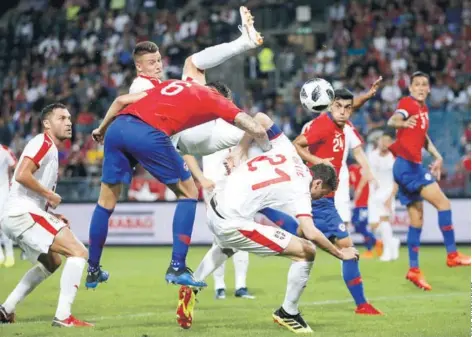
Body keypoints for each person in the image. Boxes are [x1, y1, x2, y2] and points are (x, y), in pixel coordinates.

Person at [108, 6, 264, 298]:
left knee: (259, 126)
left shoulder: (160, 86)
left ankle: (281, 155)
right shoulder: (143, 85)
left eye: (159, 60)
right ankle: (244, 42)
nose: (159, 65)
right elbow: (131, 105)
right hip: (186, 135)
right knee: (193, 64)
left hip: (201, 135)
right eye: (153, 62)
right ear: (140, 67)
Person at [175, 119, 359, 332]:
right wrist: (340, 253)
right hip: (232, 222)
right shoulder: (302, 189)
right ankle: (288, 312)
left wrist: (240, 150)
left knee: (229, 244)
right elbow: (309, 231)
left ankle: (191, 284)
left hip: (216, 204)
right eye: (323, 193)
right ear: (317, 183)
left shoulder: (288, 150)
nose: (319, 198)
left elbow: (261, 118)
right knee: (307, 251)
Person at [85, 77, 270, 289]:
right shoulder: (216, 99)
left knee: (106, 202)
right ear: (223, 95)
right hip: (148, 133)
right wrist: (268, 147)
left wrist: (101, 129)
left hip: (117, 127)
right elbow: (256, 128)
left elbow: (120, 101)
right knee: (189, 191)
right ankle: (177, 266)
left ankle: (93, 270)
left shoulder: (173, 84)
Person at [0, 103, 92, 327]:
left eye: (69, 118)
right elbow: (22, 175)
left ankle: (6, 309)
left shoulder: (51, 148)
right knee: (78, 252)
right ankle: (63, 316)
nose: (68, 122)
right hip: (21, 211)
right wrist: (49, 194)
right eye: (62, 118)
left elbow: (28, 184)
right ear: (47, 124)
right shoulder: (43, 142)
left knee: (52, 262)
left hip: (18, 214)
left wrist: (51, 214)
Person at [293, 88, 382, 315]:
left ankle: (288, 308)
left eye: (348, 108)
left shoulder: (343, 126)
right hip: (319, 200)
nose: (343, 112)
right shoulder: (322, 125)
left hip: (326, 200)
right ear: (330, 106)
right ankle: (362, 304)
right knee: (345, 248)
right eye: (338, 107)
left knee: (302, 251)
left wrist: (366, 96)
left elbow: (349, 107)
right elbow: (296, 144)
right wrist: (318, 161)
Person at [387, 71, 470, 290]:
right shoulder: (408, 103)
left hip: (407, 166)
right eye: (417, 85)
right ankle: (452, 254)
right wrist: (401, 123)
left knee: (417, 221)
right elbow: (394, 119)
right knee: (444, 204)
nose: (421, 88)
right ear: (411, 88)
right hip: (407, 166)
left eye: (425, 84)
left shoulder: (424, 109)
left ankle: (414, 270)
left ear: (429, 88)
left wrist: (438, 156)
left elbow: (423, 138)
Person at [367, 133, 400, 261]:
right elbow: (367, 170)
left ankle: (387, 251)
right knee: (373, 225)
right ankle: (393, 241)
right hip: (374, 194)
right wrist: (370, 178)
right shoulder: (372, 155)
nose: (384, 143)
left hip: (388, 193)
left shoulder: (394, 157)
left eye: (387, 141)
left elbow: (397, 179)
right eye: (382, 141)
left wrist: (391, 197)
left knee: (384, 220)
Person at [349, 162, 381, 258]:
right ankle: (376, 242)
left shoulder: (366, 169)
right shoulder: (351, 168)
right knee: (356, 225)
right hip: (358, 203)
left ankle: (369, 250)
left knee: (361, 225)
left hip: (364, 203)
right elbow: (351, 183)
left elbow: (375, 182)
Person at [0, 144, 17, 267]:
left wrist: (13, 184)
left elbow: (16, 166)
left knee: (3, 222)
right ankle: (0, 255)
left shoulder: (5, 151)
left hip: (3, 190)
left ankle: (10, 255)